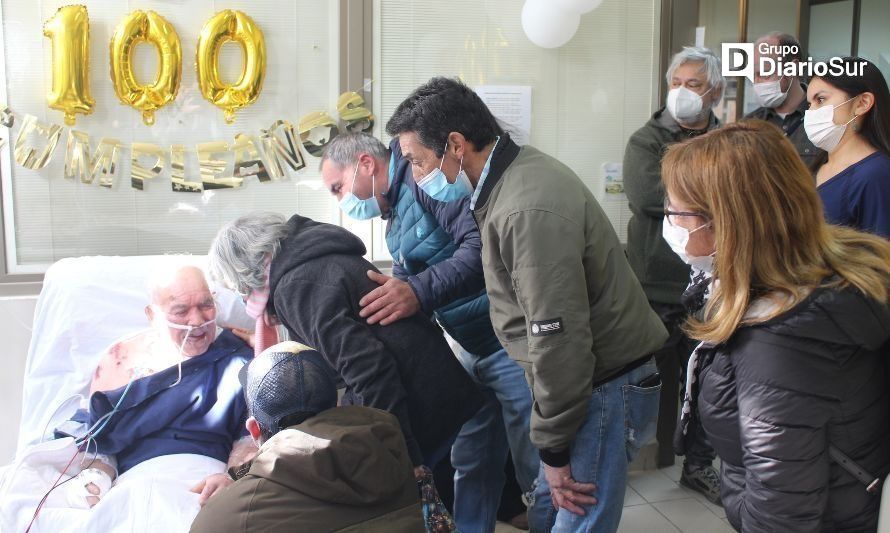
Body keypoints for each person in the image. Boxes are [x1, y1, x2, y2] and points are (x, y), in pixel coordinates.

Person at [386, 76, 668, 532]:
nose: (417, 179)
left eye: (419, 163)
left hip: (602, 385)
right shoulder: (510, 181)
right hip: (590, 383)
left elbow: (559, 339)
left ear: (455, 145)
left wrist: (553, 451)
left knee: (576, 517)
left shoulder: (524, 208)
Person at [663, 120, 890, 531]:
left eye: (676, 212)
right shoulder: (833, 273)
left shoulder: (779, 343)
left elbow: (781, 517)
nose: (671, 224)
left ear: (726, 225)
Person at [320, 132, 544, 531]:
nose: (341, 202)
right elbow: (410, 289)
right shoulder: (394, 220)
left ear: (366, 165)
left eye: (339, 188)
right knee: (471, 464)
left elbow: (480, 248)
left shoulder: (425, 183)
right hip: (467, 352)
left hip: (504, 346)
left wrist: (415, 291)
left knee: (536, 468)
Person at [208, 212, 484, 477]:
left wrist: (400, 455)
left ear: (243, 271)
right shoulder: (312, 259)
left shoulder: (296, 286)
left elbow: (369, 368)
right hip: (434, 387)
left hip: (418, 404)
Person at [1, 265, 254, 532]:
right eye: (181, 310)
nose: (197, 320)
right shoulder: (121, 359)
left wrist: (231, 479)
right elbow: (101, 439)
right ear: (151, 315)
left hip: (204, 482)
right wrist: (97, 477)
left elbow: (251, 438)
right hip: (134, 484)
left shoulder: (238, 358)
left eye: (206, 305)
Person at [623, 46, 723, 504]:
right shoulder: (647, 140)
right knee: (649, 374)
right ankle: (636, 454)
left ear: (715, 92)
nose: (683, 93)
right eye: (677, 84)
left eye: (695, 85)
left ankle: (697, 464)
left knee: (709, 378)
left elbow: (743, 192)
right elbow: (648, 196)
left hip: (715, 278)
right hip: (658, 281)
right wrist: (714, 192)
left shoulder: (729, 137)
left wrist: (691, 192)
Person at [191, 342, 424, 532]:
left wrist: (236, 491)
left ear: (254, 429)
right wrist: (237, 476)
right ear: (335, 405)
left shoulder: (221, 521)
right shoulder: (390, 448)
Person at [806, 56, 890, 238]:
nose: (811, 112)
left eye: (820, 99)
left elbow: (880, 258)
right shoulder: (816, 167)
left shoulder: (876, 175)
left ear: (862, 103)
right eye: (809, 104)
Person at [746, 32, 822, 167]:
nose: (757, 82)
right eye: (753, 75)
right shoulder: (748, 125)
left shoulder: (824, 119)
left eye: (765, 72)